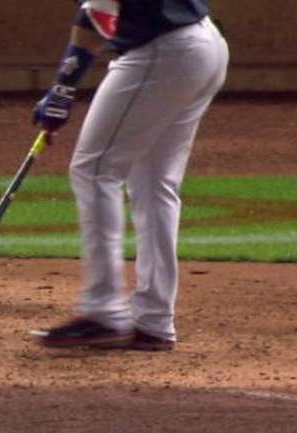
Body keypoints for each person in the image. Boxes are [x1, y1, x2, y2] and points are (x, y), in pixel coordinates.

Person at [30, 0, 228, 351]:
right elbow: (98, 15)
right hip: (203, 46)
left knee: (94, 170)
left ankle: (104, 311)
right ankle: (154, 319)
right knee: (154, 183)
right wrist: (64, 89)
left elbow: (96, 15)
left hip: (164, 51)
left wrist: (64, 87)